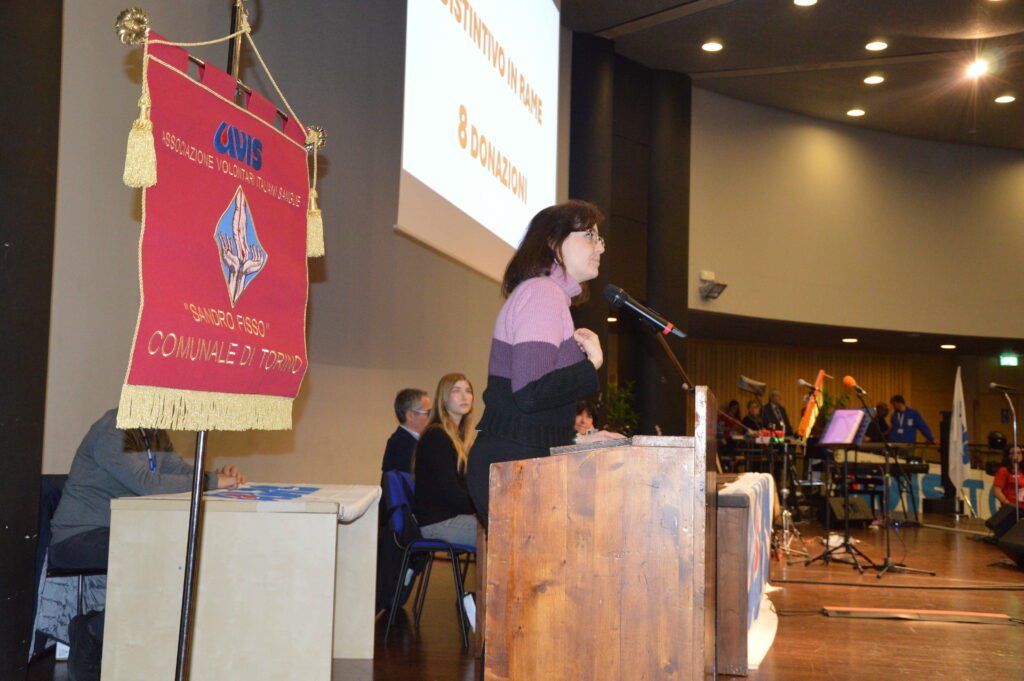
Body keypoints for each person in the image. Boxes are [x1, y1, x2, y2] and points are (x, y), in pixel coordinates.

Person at [467, 200, 620, 523]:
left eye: (600, 238)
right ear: (553, 242)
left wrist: (578, 439)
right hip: (515, 466)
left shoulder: (548, 295)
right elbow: (531, 393)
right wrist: (590, 364)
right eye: (589, 236)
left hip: (518, 460)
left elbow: (533, 409)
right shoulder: (543, 292)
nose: (601, 247)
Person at [49, 408, 246, 571]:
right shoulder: (113, 429)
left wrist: (217, 477)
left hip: (121, 529)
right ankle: (108, 614)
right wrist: (210, 481)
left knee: (184, 545)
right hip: (79, 536)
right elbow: (147, 484)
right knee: (162, 552)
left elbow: (180, 471)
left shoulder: (153, 431)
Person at [411, 373, 479, 548]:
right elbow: (451, 493)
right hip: (438, 523)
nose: (464, 396)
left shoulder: (459, 438)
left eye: (468, 391)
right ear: (444, 399)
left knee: (504, 526)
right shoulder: (437, 436)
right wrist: (481, 507)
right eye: (456, 391)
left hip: (453, 516)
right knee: (503, 531)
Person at [381, 388, 431, 473]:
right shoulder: (401, 445)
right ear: (410, 415)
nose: (431, 417)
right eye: (428, 412)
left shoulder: (415, 441)